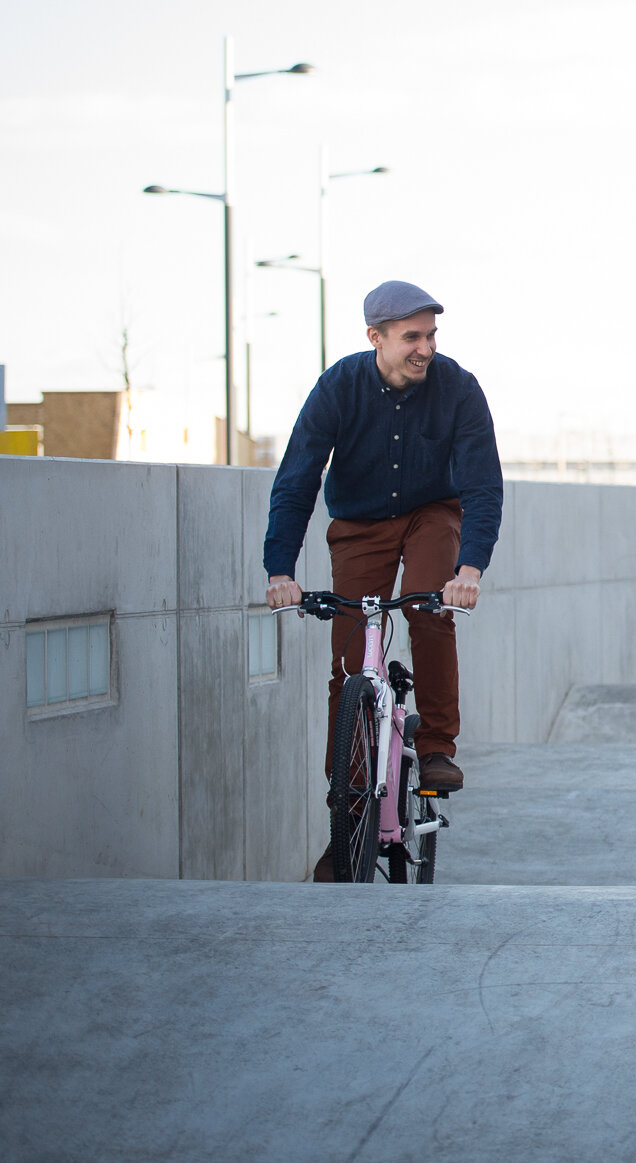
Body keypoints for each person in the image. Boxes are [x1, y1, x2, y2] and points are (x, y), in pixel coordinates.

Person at [262, 280, 503, 882]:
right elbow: (297, 479)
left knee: (428, 607)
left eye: (431, 335)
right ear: (376, 338)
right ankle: (346, 813)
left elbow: (481, 487)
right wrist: (280, 571)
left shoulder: (459, 389)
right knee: (348, 666)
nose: (425, 348)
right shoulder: (338, 387)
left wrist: (469, 570)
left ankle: (437, 746)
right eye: (411, 337)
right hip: (359, 525)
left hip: (431, 515)